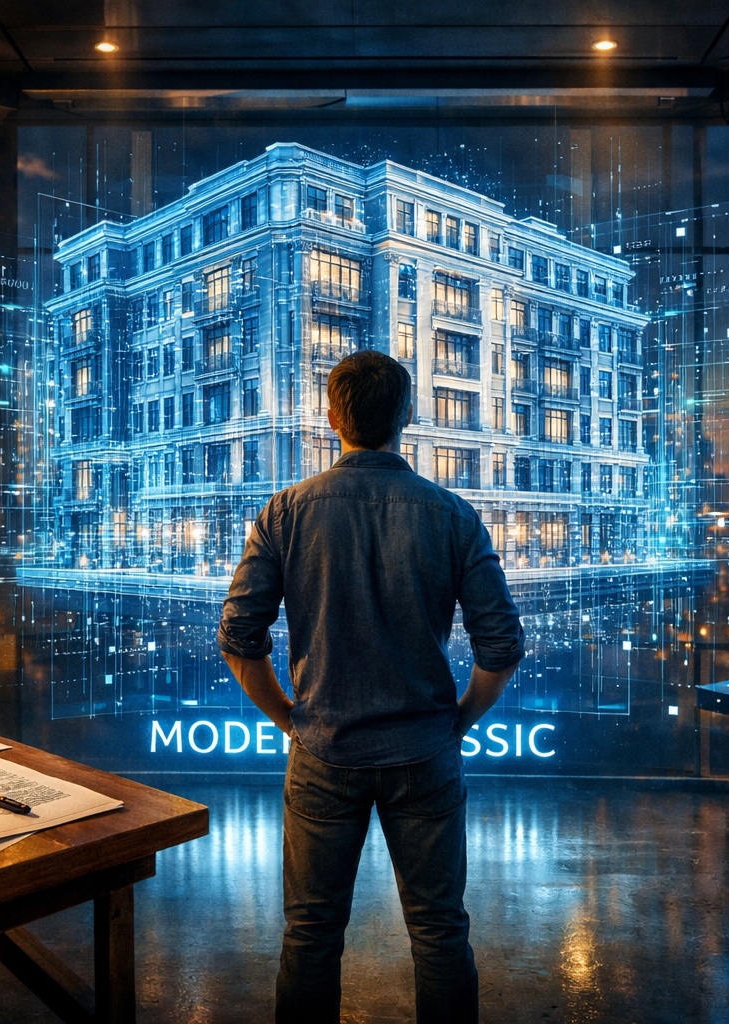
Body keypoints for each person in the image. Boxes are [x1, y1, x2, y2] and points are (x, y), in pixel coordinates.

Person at [218, 350, 525, 1024]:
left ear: (332, 419)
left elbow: (239, 636)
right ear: (408, 416)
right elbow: (502, 646)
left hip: (323, 751)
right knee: (441, 934)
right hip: (425, 753)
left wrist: (289, 719)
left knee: (310, 935)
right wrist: (459, 720)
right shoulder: (451, 514)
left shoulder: (285, 512)